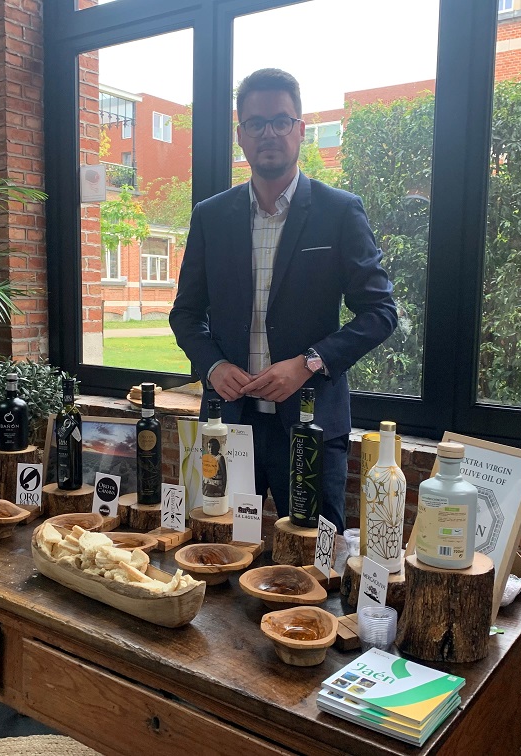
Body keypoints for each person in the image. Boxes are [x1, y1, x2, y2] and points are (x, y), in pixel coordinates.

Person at [170, 68, 397, 533]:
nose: (268, 133)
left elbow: (380, 312)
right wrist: (213, 366)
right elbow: (186, 314)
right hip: (229, 426)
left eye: (280, 121)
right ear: (241, 135)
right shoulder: (211, 217)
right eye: (256, 123)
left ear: (300, 129)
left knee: (315, 556)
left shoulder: (339, 211)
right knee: (221, 546)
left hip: (310, 425)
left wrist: (309, 363)